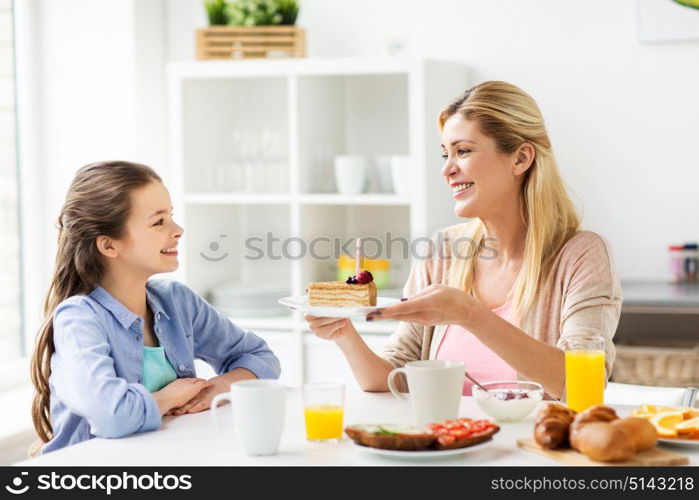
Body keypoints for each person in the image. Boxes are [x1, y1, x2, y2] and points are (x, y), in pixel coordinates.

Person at [305, 81, 621, 399]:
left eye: (463, 151)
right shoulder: (442, 252)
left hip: (534, 448)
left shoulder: (582, 256)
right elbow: (393, 377)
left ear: (521, 158)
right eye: (446, 154)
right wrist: (343, 331)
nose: (447, 170)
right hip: (448, 444)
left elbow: (585, 385)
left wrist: (471, 314)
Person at [30, 161, 280, 454]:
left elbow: (261, 358)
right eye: (159, 222)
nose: (178, 230)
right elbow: (112, 415)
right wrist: (169, 398)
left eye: (171, 216)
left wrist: (212, 389)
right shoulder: (80, 318)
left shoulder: (176, 301)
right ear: (109, 246)